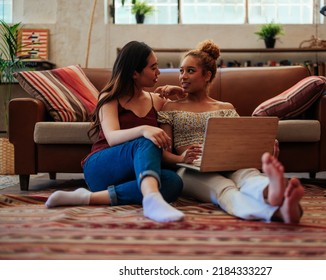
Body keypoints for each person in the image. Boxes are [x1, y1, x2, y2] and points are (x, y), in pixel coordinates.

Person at [157, 40, 304, 223]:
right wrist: (181, 159)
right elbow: (162, 153)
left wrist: (262, 152)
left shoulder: (226, 107)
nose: (183, 76)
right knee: (224, 188)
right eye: (181, 71)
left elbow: (239, 143)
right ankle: (277, 212)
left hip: (229, 162)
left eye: (190, 71)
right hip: (190, 169)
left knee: (249, 175)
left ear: (207, 75)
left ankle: (270, 190)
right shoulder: (170, 107)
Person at [45, 41, 184, 223]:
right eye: (153, 67)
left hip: (137, 174)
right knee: (146, 140)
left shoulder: (158, 101)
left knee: (174, 182)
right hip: (102, 167)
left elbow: (192, 110)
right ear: (135, 72)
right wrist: (144, 129)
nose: (159, 72)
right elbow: (112, 137)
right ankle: (151, 198)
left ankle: (88, 198)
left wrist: (182, 96)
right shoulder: (110, 97)